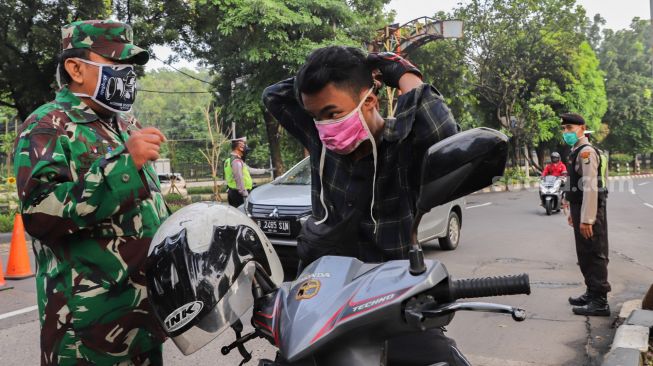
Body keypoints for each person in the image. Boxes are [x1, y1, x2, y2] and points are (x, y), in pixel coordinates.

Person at [263, 47, 468, 365]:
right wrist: (348, 66)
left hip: (392, 300)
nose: (324, 126)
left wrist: (401, 72)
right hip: (321, 301)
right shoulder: (320, 140)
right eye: (316, 117)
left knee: (444, 359)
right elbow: (274, 95)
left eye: (332, 114)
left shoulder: (403, 144)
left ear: (369, 101)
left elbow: (442, 131)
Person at [13, 20, 169, 364]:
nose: (128, 76)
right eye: (116, 65)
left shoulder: (123, 124)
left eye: (130, 67)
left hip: (141, 318)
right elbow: (39, 213)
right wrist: (126, 166)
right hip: (86, 330)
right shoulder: (47, 126)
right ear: (75, 68)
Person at [561, 113, 611, 317]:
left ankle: (600, 301)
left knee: (595, 253)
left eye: (570, 128)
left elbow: (591, 188)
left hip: (590, 210)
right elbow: (574, 182)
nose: (566, 132)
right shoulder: (576, 151)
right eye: (564, 129)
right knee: (584, 253)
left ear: (583, 128)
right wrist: (570, 208)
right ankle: (591, 292)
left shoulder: (586, 153)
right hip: (579, 207)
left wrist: (587, 219)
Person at [224, 137, 271, 207]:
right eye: (244, 148)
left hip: (233, 191)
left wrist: (264, 170)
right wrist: (244, 193)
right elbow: (238, 178)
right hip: (239, 194)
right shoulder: (236, 161)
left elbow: (249, 170)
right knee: (242, 215)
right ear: (239, 148)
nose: (245, 152)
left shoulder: (230, 160)